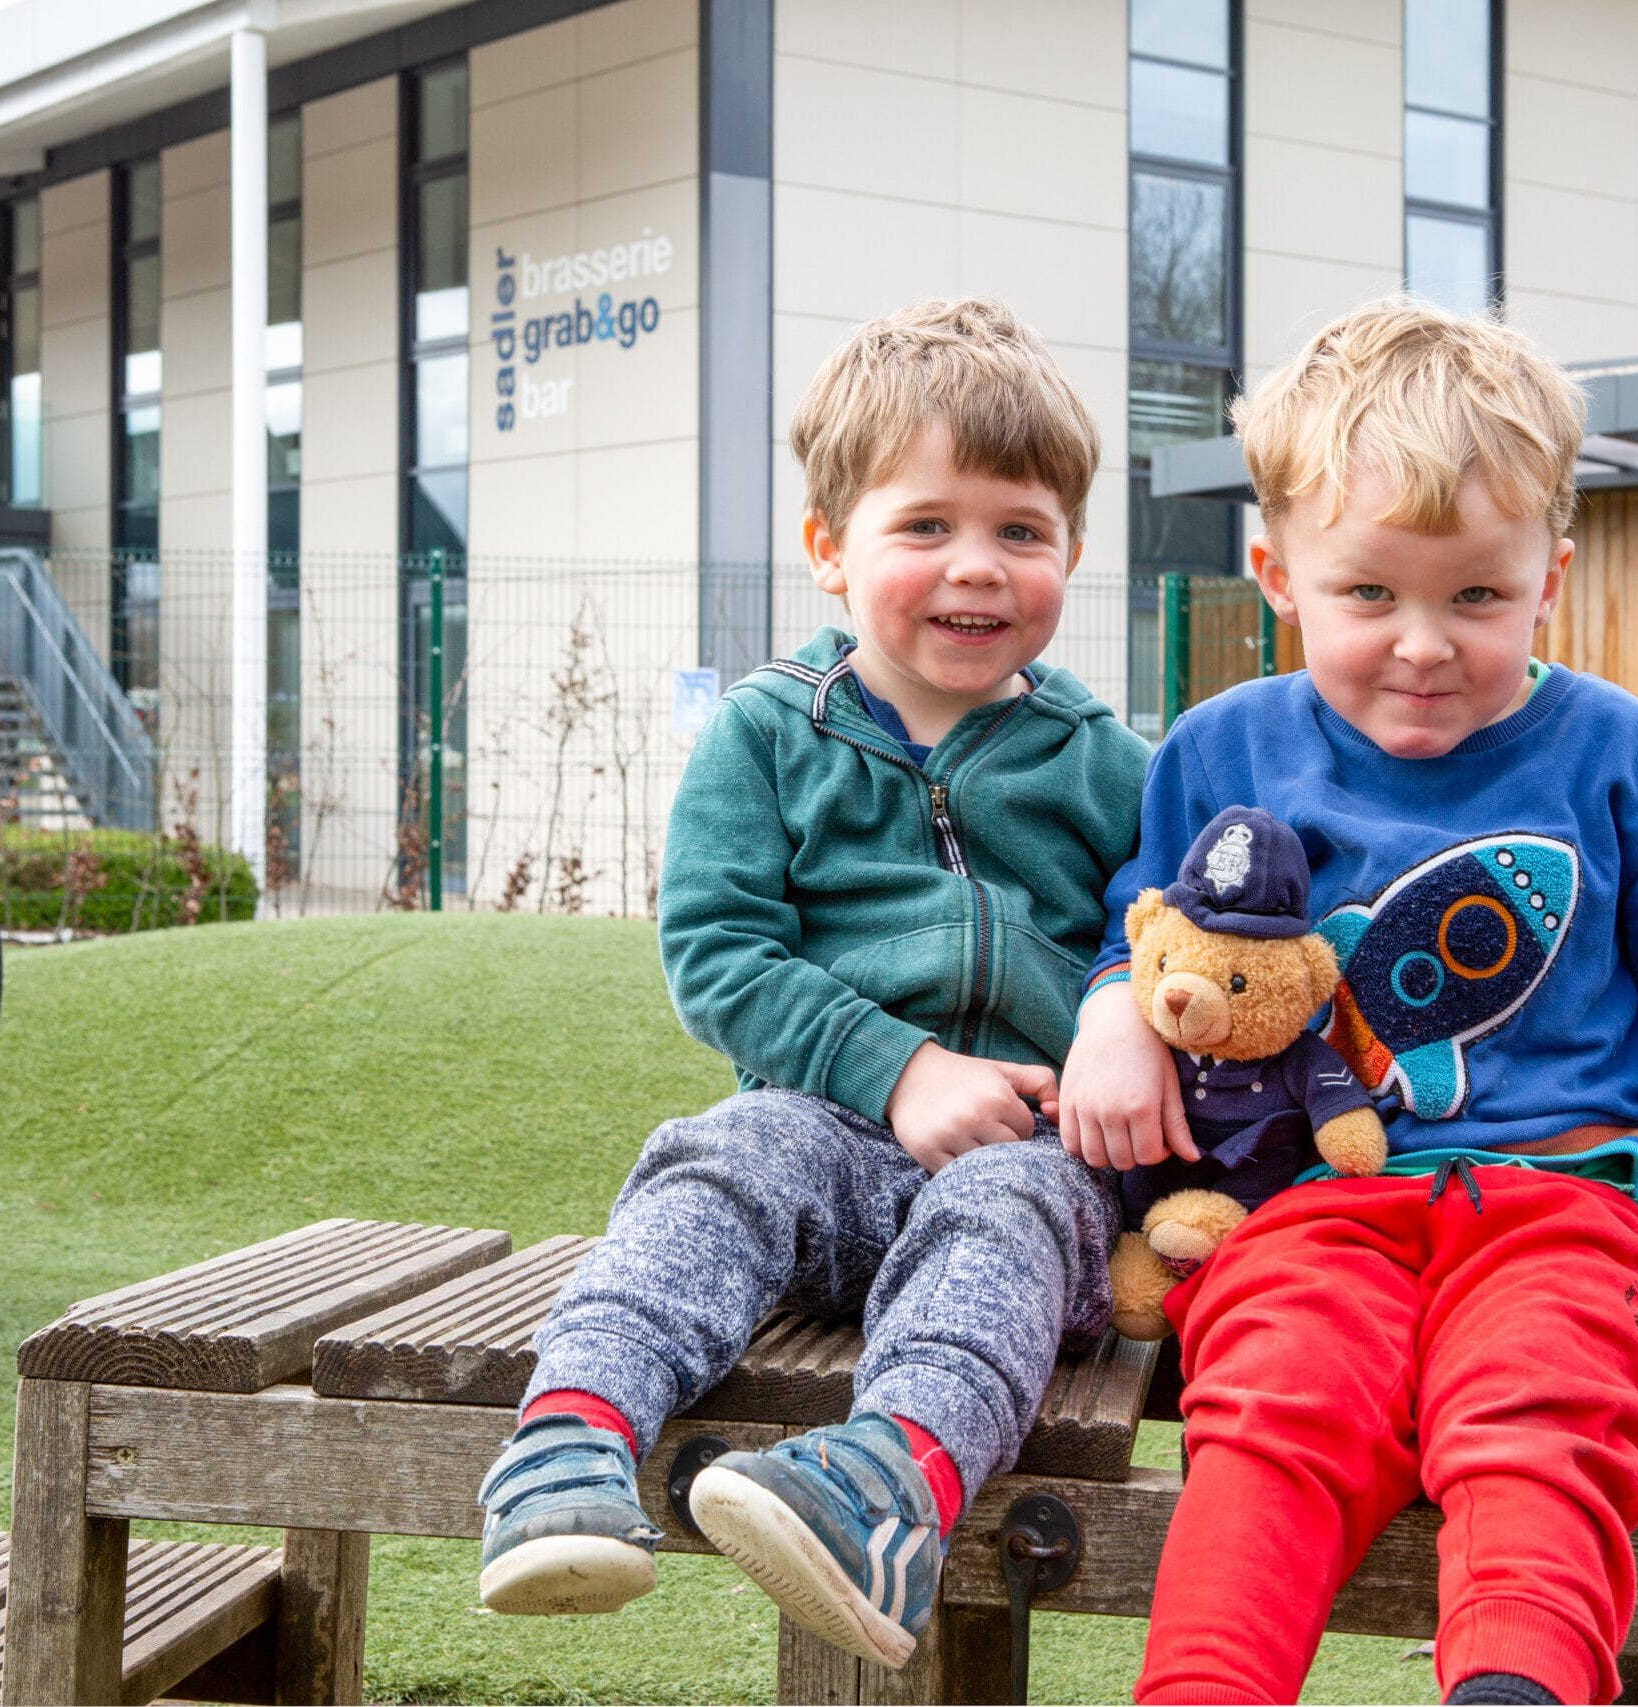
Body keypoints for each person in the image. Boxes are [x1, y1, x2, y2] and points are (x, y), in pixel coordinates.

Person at [1059, 298, 1638, 1707]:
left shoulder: (1629, 764)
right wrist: (1113, 1005)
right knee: (1270, 1411)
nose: (1423, 644)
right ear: (1276, 572)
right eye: (1369, 595)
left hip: (1568, 1213)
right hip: (1310, 1209)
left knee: (1541, 1412)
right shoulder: (1220, 750)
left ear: (1551, 578)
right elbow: (1151, 928)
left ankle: (1514, 1687)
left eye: (1475, 595)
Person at [474, 297, 1147, 1672]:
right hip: (829, 1141)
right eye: (926, 527)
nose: (978, 567)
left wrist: (1109, 1025)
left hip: (1034, 1158)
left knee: (1006, 1209)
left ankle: (888, 1487)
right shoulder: (767, 736)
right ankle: (568, 1444)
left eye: (1021, 531)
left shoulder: (1106, 761)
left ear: (1072, 549)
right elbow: (719, 954)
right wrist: (897, 1069)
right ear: (830, 550)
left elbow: (1160, 942)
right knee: (719, 1155)